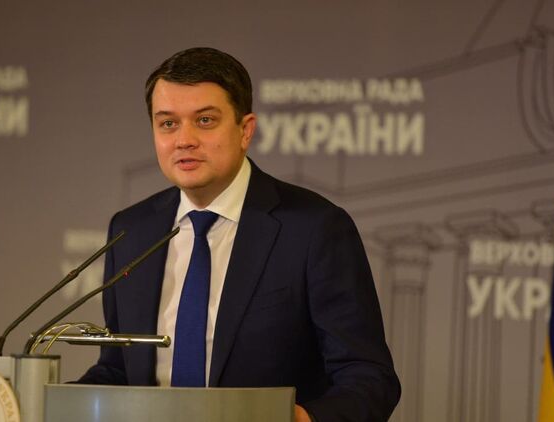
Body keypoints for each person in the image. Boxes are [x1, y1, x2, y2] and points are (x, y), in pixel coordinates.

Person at [79, 47, 401, 421]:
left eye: (204, 121)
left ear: (245, 130)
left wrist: (300, 419)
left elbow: (368, 378)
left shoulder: (314, 228)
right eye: (168, 123)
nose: (184, 139)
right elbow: (118, 370)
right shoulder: (131, 231)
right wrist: (41, 402)